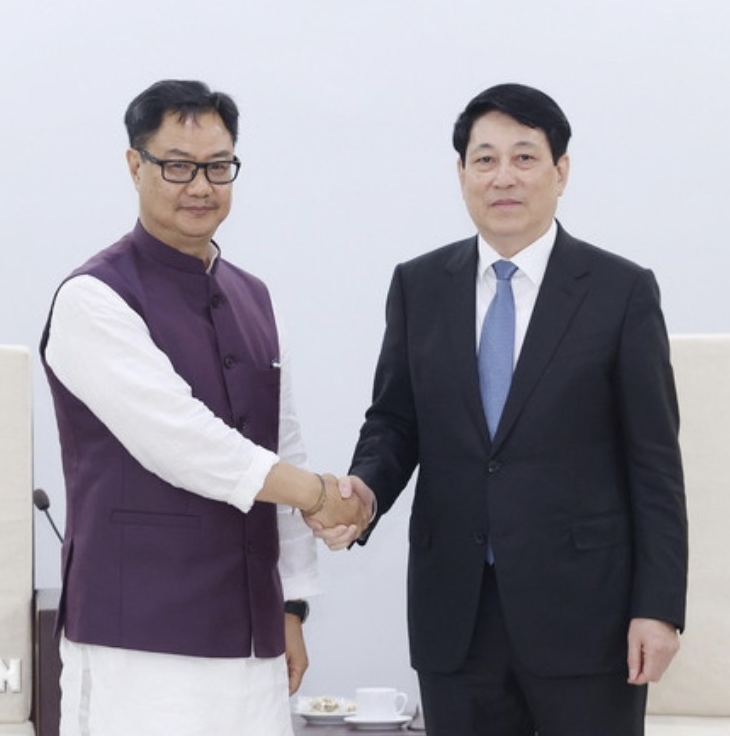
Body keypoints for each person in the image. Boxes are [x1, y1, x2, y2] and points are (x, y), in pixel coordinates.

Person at [314, 83, 688, 735]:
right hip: (455, 612)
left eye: (524, 157)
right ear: (461, 174)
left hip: (585, 614)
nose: (503, 177)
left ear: (560, 171)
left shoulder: (621, 291)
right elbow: (394, 423)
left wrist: (657, 608)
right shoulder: (419, 285)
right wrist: (365, 492)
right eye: (484, 159)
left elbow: (654, 462)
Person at [40, 79, 370, 736]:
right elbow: (182, 441)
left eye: (218, 167)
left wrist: (292, 606)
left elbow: (284, 441)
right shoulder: (93, 298)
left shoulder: (252, 295)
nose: (200, 186)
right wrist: (318, 494)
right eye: (177, 166)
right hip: (136, 634)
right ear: (135, 166)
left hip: (249, 634)